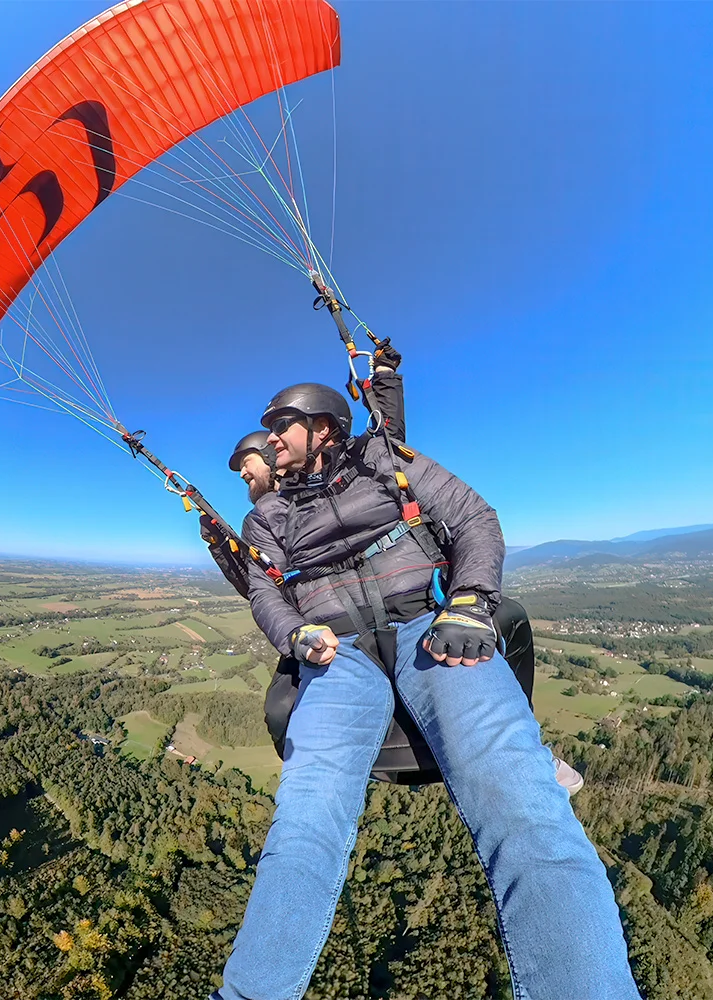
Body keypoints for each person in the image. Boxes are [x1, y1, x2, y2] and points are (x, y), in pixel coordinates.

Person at [209, 383, 638, 1000]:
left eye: (282, 424)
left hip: (429, 628)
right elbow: (265, 592)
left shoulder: (389, 462)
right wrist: (295, 633)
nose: (270, 437)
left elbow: (472, 518)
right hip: (339, 652)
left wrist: (469, 600)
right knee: (306, 816)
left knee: (519, 798)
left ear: (324, 428)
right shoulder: (265, 518)